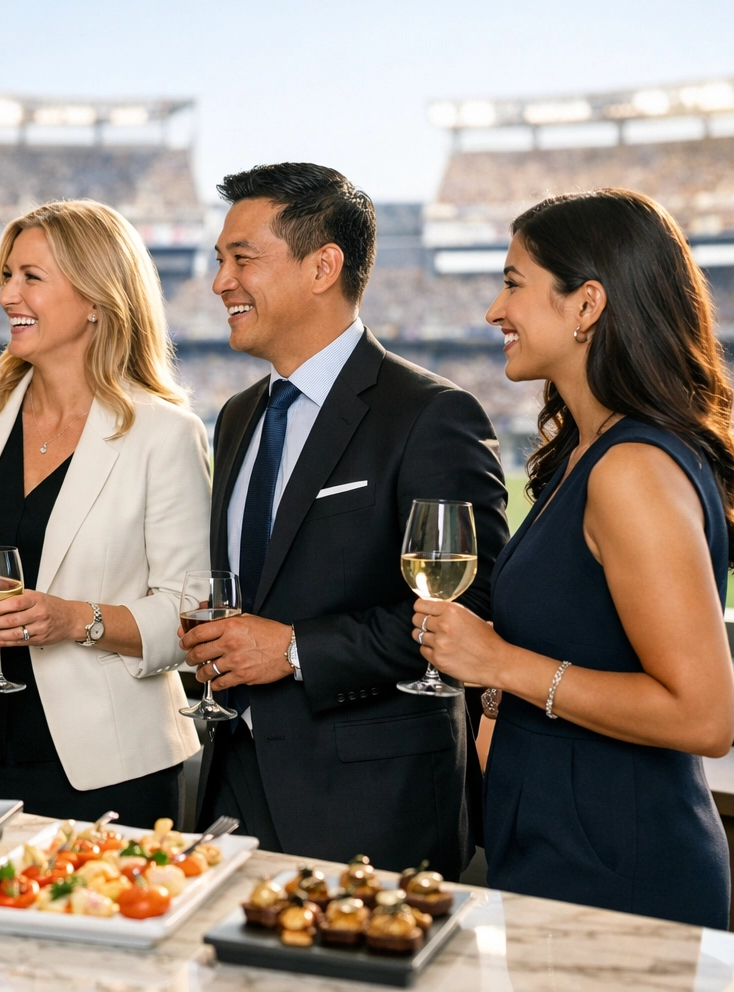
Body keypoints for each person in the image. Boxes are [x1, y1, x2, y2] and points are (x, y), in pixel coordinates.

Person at [413, 189, 734, 928]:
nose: (495, 311)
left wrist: (500, 666)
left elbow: (705, 716)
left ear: (586, 304)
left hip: (620, 871)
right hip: (554, 847)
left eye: (512, 282)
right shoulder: (581, 455)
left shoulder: (630, 471)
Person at [183, 163, 508, 876]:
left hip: (371, 807)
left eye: (242, 259)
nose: (220, 283)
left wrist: (295, 648)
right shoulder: (238, 416)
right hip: (232, 786)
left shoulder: (431, 415)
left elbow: (472, 608)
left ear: (322, 266)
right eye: (219, 261)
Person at [0, 199, 210, 827]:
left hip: (109, 768)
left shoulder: (166, 434)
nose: (7, 296)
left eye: (31, 277)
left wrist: (75, 620)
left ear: (97, 298)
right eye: (6, 275)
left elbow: (188, 613)